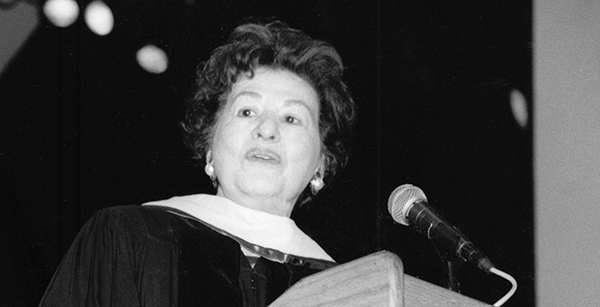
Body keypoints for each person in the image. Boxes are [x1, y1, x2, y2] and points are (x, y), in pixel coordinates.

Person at [39, 20, 356, 307]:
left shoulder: (353, 292)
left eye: (291, 118)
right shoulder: (127, 239)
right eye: (247, 111)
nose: (267, 129)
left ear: (321, 165)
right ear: (209, 149)